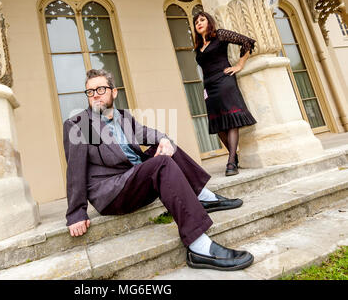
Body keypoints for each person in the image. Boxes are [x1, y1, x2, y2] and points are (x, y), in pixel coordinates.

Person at [62, 68, 254, 271]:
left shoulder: (122, 117)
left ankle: (201, 195)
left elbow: (145, 133)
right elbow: (75, 170)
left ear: (114, 92)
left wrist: (164, 140)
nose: (95, 95)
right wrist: (76, 213)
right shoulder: (79, 124)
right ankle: (199, 246)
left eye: (100, 89)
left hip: (135, 180)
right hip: (112, 192)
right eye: (90, 92)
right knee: (161, 163)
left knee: (166, 148)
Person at [193, 12, 257, 176]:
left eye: (202, 20)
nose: (199, 23)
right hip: (209, 86)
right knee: (217, 123)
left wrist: (239, 65)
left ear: (209, 22)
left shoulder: (220, 35)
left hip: (224, 81)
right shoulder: (199, 46)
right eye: (196, 22)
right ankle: (234, 157)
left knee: (230, 120)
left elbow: (247, 42)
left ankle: (230, 163)